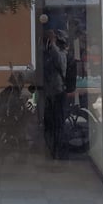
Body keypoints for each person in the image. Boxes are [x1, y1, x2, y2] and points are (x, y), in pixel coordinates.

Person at [43, 30, 67, 158]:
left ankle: (58, 150)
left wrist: (52, 43)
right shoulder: (49, 54)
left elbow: (60, 62)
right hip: (50, 93)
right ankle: (51, 148)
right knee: (49, 122)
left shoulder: (62, 54)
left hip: (58, 92)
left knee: (58, 123)